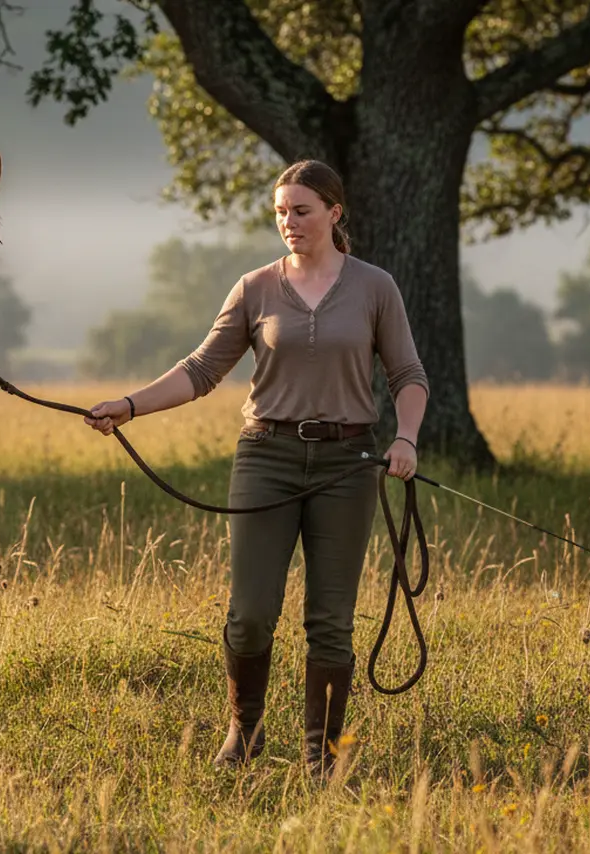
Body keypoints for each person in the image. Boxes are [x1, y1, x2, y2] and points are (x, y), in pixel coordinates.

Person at [84, 159, 428, 777]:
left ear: (334, 213)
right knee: (249, 612)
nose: (289, 223)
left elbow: (408, 375)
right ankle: (244, 730)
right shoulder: (255, 287)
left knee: (330, 619)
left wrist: (404, 438)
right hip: (265, 456)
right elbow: (200, 369)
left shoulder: (376, 287)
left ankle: (321, 756)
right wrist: (129, 406)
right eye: (280, 213)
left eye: (301, 210)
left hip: (349, 463)